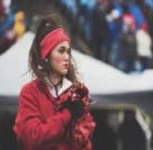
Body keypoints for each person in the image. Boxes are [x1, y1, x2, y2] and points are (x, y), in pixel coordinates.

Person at [13, 14, 96, 150]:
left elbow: (84, 144)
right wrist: (67, 115)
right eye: (61, 51)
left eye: (68, 52)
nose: (67, 57)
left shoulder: (76, 93)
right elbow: (32, 139)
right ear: (46, 55)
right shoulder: (30, 92)